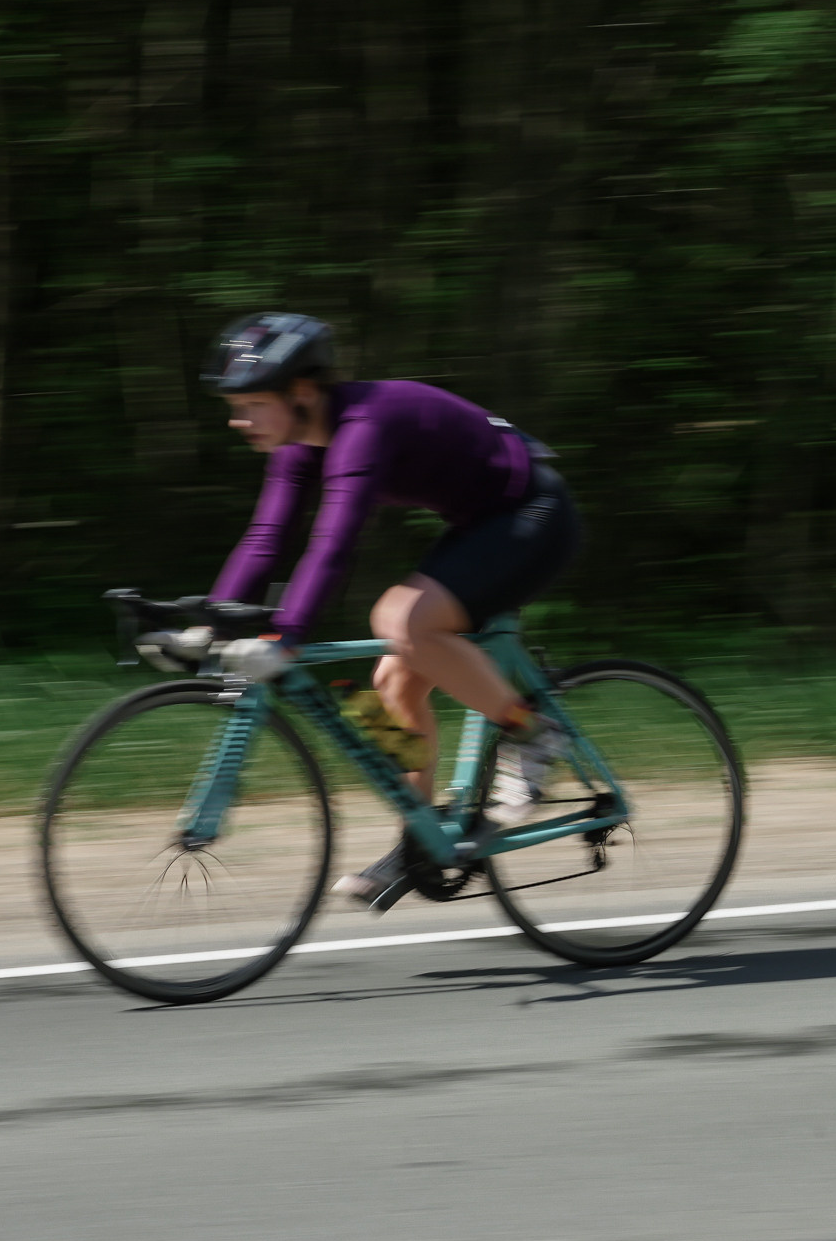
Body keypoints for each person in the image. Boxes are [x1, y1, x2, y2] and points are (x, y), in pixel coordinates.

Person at [179, 312, 583, 904]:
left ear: (302, 392)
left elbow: (332, 545)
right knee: (389, 683)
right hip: (481, 522)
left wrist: (286, 637)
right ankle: (420, 840)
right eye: (235, 407)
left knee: (402, 620)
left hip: (536, 512)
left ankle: (533, 734)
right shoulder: (298, 445)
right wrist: (209, 622)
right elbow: (266, 538)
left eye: (252, 404)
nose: (238, 420)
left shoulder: (363, 427)